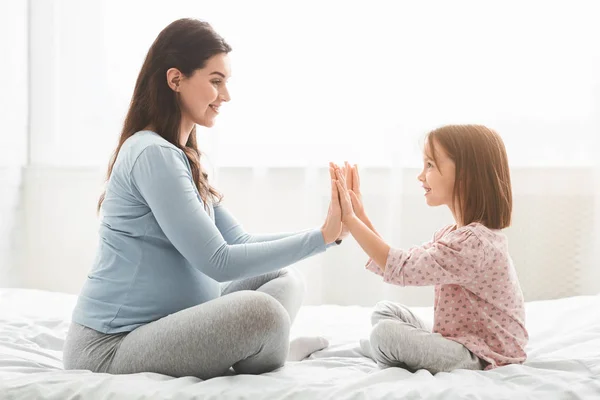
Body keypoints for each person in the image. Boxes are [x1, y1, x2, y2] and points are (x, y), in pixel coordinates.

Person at [62, 18, 344, 380]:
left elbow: (238, 242)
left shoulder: (178, 155)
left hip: (168, 323)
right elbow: (219, 261)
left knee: (286, 277)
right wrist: (320, 238)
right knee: (264, 313)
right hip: (111, 346)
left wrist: (327, 234)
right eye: (215, 81)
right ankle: (270, 349)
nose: (225, 96)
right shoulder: (151, 154)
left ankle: (263, 347)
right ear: (175, 79)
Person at [332, 125, 529, 374]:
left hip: (482, 356)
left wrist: (350, 219)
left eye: (430, 165)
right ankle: (377, 348)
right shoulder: (456, 235)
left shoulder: (473, 245)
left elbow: (401, 268)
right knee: (385, 311)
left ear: (466, 175)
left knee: (385, 335)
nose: (421, 175)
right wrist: (359, 215)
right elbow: (401, 262)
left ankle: (374, 348)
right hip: (462, 339)